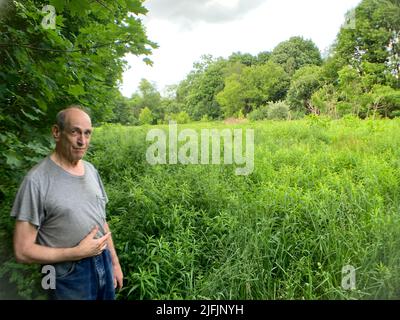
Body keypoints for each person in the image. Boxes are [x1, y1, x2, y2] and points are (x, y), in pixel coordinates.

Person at [10, 106, 123, 300]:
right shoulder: (36, 181)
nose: (82, 141)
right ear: (56, 132)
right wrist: (75, 253)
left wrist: (114, 263)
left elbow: (101, 220)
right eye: (75, 132)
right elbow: (22, 250)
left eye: (87, 133)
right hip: (66, 274)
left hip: (102, 262)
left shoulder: (91, 170)